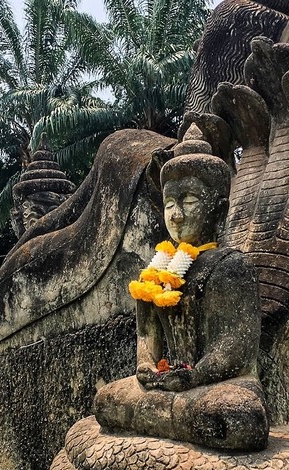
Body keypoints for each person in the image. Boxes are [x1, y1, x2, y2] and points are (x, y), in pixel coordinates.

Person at [94, 124, 269, 450]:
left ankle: (171, 420)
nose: (175, 215)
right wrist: (146, 366)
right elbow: (147, 337)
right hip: (167, 381)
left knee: (238, 416)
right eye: (169, 202)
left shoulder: (230, 266)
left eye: (188, 200)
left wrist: (196, 376)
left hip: (219, 383)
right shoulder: (156, 270)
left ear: (218, 206)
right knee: (105, 401)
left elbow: (235, 348)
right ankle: (174, 417)